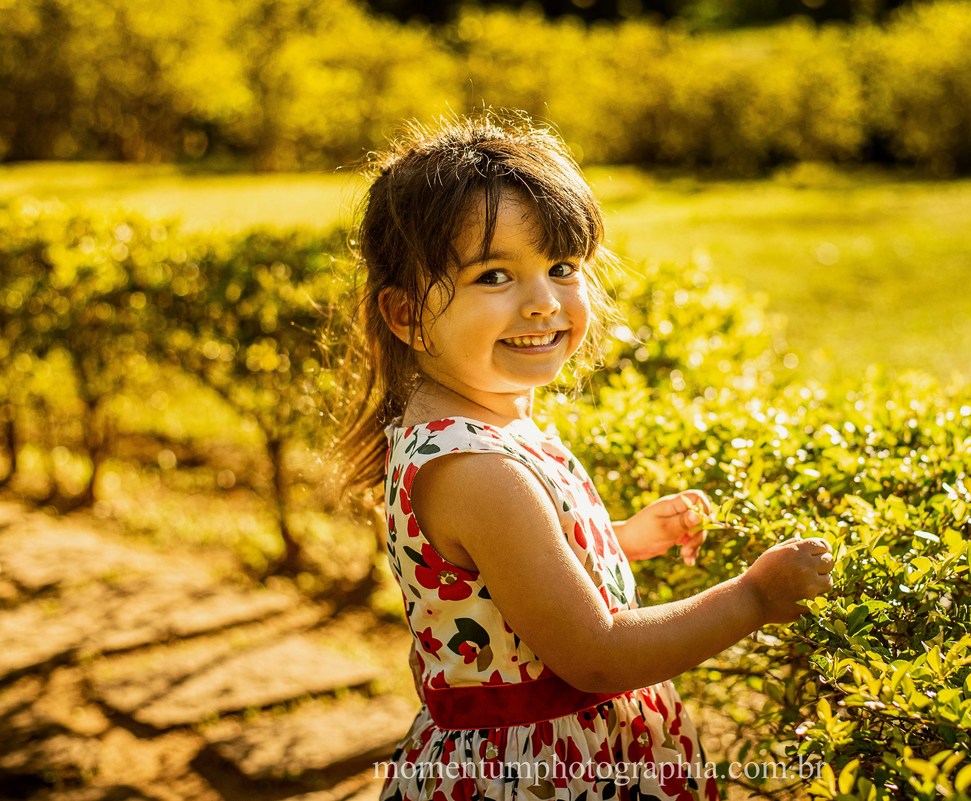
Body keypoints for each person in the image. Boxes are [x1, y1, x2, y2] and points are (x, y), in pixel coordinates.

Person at [337, 114, 836, 801]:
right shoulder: (479, 470)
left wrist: (623, 538)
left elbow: (509, 580)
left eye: (562, 267)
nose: (543, 302)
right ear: (407, 315)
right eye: (494, 275)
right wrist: (754, 596)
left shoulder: (476, 421)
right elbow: (596, 654)